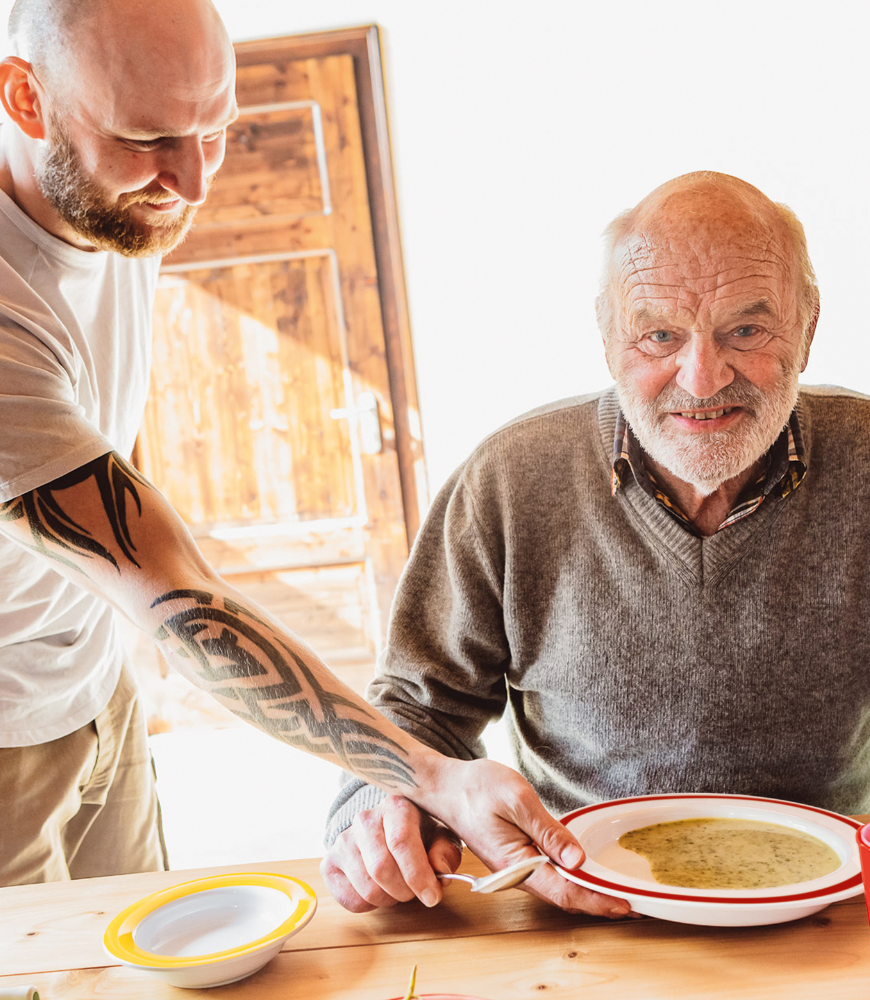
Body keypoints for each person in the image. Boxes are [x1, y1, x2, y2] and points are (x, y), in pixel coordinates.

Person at [0, 0, 588, 898]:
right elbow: (174, 592)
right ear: (25, 99)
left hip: (91, 679)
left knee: (143, 950)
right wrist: (433, 777)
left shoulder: (119, 197)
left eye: (215, 132)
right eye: (148, 139)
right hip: (6, 727)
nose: (194, 182)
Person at [321, 171, 870, 916]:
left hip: (829, 906)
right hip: (573, 902)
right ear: (609, 342)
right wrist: (380, 811)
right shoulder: (506, 482)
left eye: (746, 331)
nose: (702, 379)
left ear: (808, 327)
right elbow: (418, 708)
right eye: (659, 336)